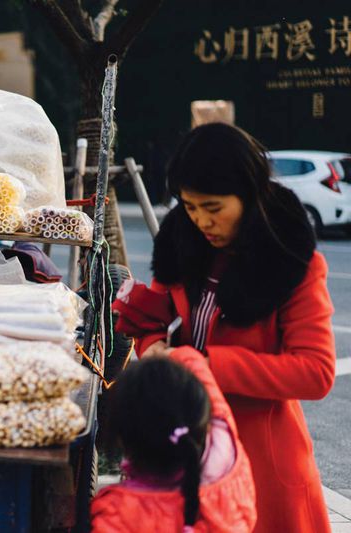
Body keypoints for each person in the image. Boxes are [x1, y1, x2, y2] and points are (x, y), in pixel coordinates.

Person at [120, 123, 335, 532]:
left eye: (214, 208)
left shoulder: (292, 263)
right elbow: (155, 321)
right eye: (190, 206)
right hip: (182, 448)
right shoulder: (183, 246)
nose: (202, 220)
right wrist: (153, 349)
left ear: (250, 194)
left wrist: (202, 364)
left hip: (261, 463)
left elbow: (316, 372)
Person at [91, 347, 257, 532]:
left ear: (124, 440)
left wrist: (157, 349)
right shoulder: (226, 449)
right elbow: (197, 367)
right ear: (200, 412)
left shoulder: (117, 517)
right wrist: (173, 357)